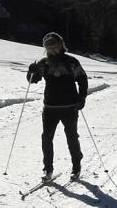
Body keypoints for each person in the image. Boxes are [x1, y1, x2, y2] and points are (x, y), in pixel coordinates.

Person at [26, 32, 88, 181]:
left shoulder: (71, 62)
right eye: (49, 48)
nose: (52, 50)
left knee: (71, 137)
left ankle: (76, 166)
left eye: (54, 47)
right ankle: (48, 169)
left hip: (69, 107)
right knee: (46, 138)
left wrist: (82, 97)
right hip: (50, 108)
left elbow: (82, 79)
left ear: (61, 45)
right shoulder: (43, 63)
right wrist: (31, 71)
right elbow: (32, 80)